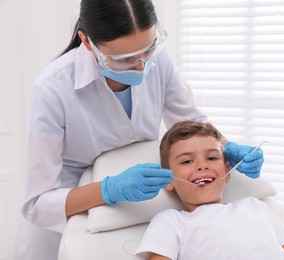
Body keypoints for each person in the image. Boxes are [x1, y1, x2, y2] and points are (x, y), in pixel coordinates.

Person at [15, 1, 264, 259]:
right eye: (124, 59)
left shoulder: (157, 60)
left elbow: (190, 122)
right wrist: (109, 188)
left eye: (148, 50)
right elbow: (37, 204)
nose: (141, 66)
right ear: (87, 42)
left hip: (132, 214)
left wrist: (226, 146)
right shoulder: (52, 88)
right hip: (61, 226)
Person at [135, 120, 284, 260]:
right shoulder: (171, 221)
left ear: (227, 172)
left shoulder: (254, 206)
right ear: (168, 178)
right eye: (187, 161)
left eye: (212, 157)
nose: (202, 165)